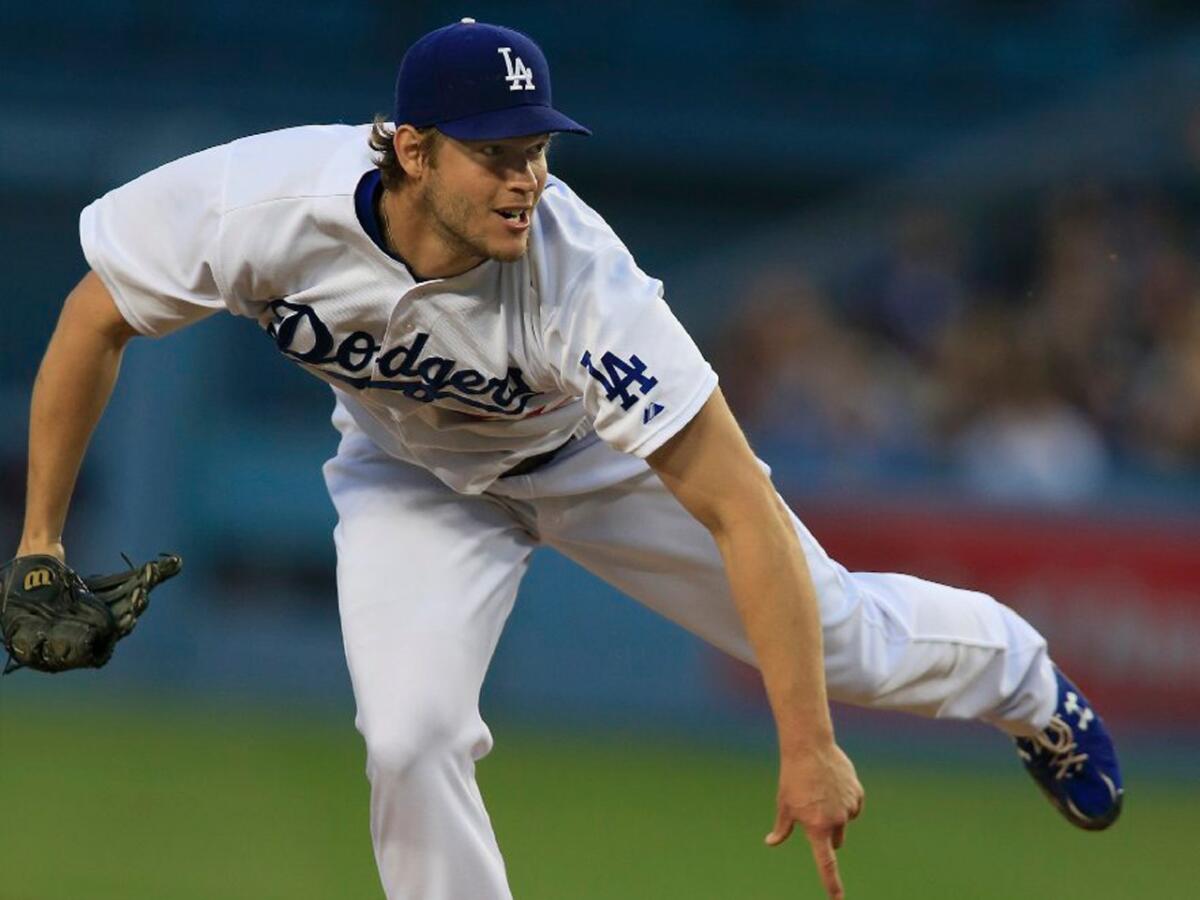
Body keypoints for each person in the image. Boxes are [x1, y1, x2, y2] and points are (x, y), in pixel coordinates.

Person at [16, 19, 1122, 900]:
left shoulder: (580, 279)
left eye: (537, 151)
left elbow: (735, 505)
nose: (524, 180)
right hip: (410, 471)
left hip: (592, 461)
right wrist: (40, 541)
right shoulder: (259, 205)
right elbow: (91, 321)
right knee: (408, 742)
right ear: (410, 148)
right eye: (495, 154)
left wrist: (807, 743)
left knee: (844, 647)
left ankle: (1028, 682)